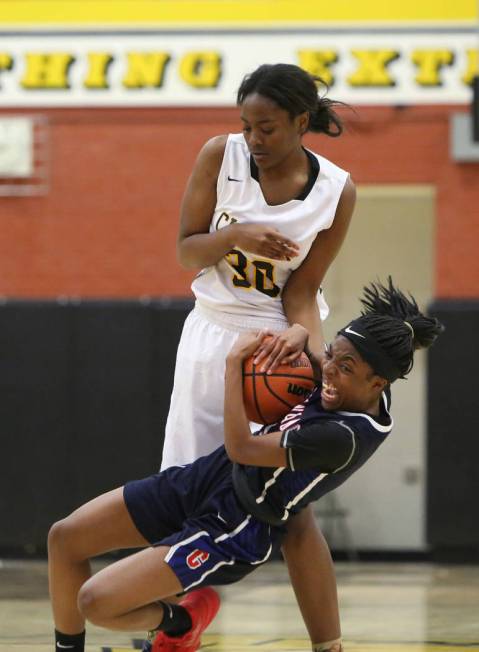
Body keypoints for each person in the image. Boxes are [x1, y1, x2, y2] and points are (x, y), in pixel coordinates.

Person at [47, 279, 443, 652]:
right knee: (64, 539)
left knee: (96, 602)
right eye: (333, 355)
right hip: (206, 477)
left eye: (345, 368)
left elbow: (241, 447)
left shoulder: (343, 437)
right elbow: (330, 354)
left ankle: (181, 622)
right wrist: (303, 335)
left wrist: (234, 365)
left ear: (378, 385)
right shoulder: (362, 386)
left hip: (234, 523)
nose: (329, 371)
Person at [160, 62, 357, 647]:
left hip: (278, 345)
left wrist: (308, 345)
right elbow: (186, 251)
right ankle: (172, 629)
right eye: (246, 125)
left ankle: (329, 643)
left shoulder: (336, 192)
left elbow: (302, 290)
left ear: (302, 122)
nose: (254, 139)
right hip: (212, 333)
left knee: (291, 507)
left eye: (266, 127)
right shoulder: (218, 156)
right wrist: (235, 236)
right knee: (180, 491)